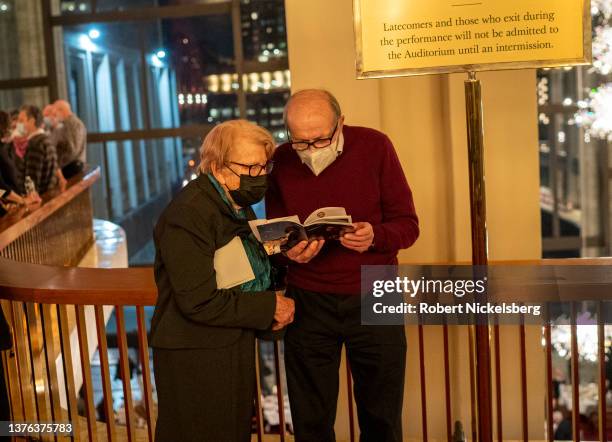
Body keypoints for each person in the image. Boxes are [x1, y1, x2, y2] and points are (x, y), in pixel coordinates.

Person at [266, 89, 419, 442]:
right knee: (311, 419)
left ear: (340, 124)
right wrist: (289, 252)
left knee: (381, 416)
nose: (311, 150)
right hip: (308, 296)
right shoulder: (281, 159)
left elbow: (408, 226)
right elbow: (276, 234)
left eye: (321, 139)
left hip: (375, 288)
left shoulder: (375, 146)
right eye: (301, 142)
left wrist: (374, 236)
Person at [150, 119, 295, 442]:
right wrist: (269, 304)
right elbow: (197, 300)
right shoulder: (188, 213)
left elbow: (243, 272)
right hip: (194, 355)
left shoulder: (235, 205)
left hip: (227, 344)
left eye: (263, 167)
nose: (258, 177)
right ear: (216, 167)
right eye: (249, 167)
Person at [6, 105, 57, 195]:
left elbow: (32, 179)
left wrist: (28, 198)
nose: (18, 124)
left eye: (21, 120)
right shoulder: (46, 139)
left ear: (32, 121)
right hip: (47, 194)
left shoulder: (35, 144)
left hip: (39, 198)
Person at [51, 100, 86, 178]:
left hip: (72, 167)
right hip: (69, 166)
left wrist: (57, 165)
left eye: (55, 113)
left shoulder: (72, 124)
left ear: (61, 111)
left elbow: (72, 150)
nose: (54, 116)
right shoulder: (66, 123)